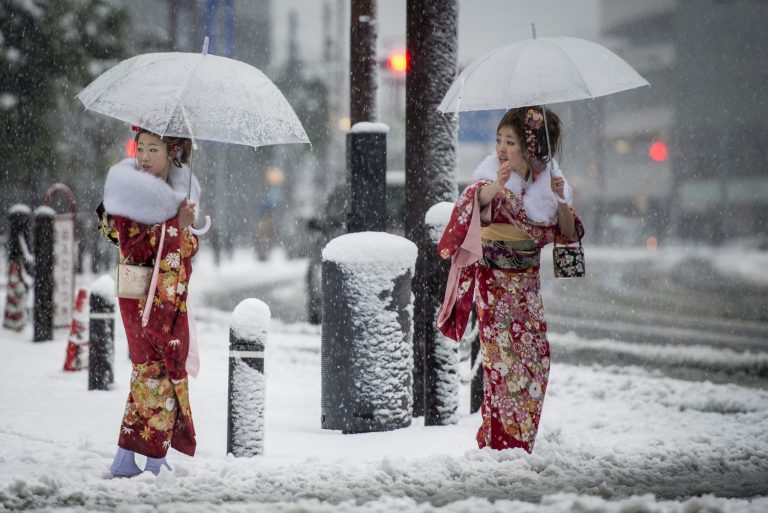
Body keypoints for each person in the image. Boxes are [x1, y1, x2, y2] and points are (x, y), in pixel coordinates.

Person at [436, 106, 584, 453]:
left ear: (530, 147)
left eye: (511, 141)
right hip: (496, 287)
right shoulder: (489, 178)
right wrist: (496, 188)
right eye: (499, 140)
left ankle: (517, 440)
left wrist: (561, 200)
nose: (501, 148)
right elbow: (471, 203)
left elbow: (566, 233)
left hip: (528, 289)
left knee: (536, 361)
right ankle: (503, 444)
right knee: (503, 365)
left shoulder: (546, 186)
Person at [100, 127, 202, 477]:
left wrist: (183, 226)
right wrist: (176, 224)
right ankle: (152, 460)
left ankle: (128, 458)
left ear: (172, 153)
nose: (143, 157)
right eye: (140, 148)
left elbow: (186, 250)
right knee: (155, 375)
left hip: (168, 299)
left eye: (152, 150)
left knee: (154, 374)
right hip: (141, 298)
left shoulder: (176, 195)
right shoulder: (130, 193)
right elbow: (137, 249)